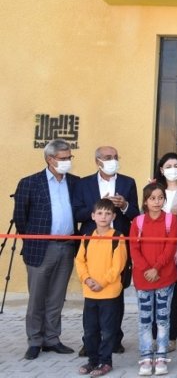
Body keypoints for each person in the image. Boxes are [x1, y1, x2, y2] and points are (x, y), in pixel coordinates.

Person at [14, 139, 79, 361]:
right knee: (37, 298)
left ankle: (52, 339)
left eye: (69, 157)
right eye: (63, 158)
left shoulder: (75, 183)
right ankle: (34, 340)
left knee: (57, 297)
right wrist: (34, 241)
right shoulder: (30, 183)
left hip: (67, 246)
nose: (68, 162)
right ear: (50, 159)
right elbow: (21, 218)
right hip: (41, 248)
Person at [74, 145, 139, 355]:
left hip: (117, 244)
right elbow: (77, 213)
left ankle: (114, 339)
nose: (113, 160)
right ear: (98, 161)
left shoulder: (128, 182)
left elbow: (136, 214)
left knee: (115, 292)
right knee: (92, 295)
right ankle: (90, 341)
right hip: (92, 244)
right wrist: (99, 207)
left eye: (115, 157)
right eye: (108, 157)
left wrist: (125, 205)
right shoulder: (83, 183)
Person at [129, 183, 177, 376]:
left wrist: (156, 268)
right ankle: (145, 356)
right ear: (145, 201)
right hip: (143, 278)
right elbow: (134, 249)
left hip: (164, 277)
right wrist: (146, 269)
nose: (157, 202)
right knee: (144, 319)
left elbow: (170, 247)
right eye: (152, 198)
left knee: (163, 319)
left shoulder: (170, 220)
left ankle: (161, 356)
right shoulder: (138, 222)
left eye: (160, 198)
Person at [74, 199, 128, 377]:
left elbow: (118, 265)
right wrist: (87, 279)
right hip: (90, 292)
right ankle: (92, 360)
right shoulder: (87, 237)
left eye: (107, 213)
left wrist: (103, 282)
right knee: (90, 330)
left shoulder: (117, 237)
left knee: (107, 329)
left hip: (109, 292)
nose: (103, 217)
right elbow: (80, 261)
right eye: (99, 213)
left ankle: (105, 361)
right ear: (92, 216)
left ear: (113, 216)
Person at [153, 152, 177, 353]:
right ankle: (154, 334)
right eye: (168, 166)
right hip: (155, 249)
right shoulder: (154, 189)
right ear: (161, 169)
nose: (173, 169)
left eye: (176, 165)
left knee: (175, 292)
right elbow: (144, 215)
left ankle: (172, 336)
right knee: (155, 291)